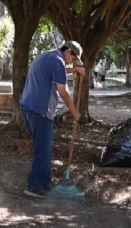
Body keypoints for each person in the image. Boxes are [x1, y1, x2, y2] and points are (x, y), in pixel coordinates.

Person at [19, 41, 86, 198]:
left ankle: (44, 184)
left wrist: (75, 69)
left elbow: (59, 72)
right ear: (68, 51)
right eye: (74, 59)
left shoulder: (49, 56)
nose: (72, 62)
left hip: (29, 107)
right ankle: (34, 186)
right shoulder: (58, 61)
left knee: (43, 148)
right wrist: (74, 112)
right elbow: (63, 91)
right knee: (43, 150)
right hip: (41, 110)